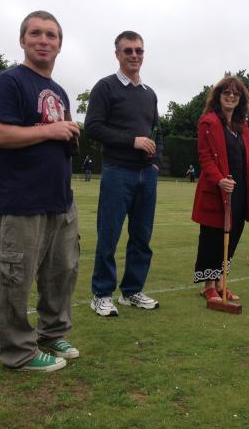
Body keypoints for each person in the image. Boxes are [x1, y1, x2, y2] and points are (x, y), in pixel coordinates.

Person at [0, 10, 81, 372]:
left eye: (51, 35)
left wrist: (68, 133)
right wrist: (51, 131)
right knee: (15, 276)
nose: (44, 40)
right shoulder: (8, 82)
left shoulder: (57, 90)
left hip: (60, 201)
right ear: (22, 40)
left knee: (61, 273)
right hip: (20, 201)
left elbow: (53, 142)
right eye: (36, 33)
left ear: (59, 45)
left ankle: (51, 334)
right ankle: (17, 352)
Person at [85, 30, 163, 317]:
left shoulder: (149, 94)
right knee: (110, 234)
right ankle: (102, 294)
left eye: (139, 50)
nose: (134, 55)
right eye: (128, 50)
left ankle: (132, 291)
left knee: (142, 236)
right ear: (117, 54)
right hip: (118, 171)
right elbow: (92, 126)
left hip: (147, 174)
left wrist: (156, 163)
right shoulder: (105, 88)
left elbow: (158, 132)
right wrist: (132, 141)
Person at [191, 76, 249, 302]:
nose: (231, 97)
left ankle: (221, 282)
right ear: (218, 96)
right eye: (226, 93)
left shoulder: (242, 127)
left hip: (239, 192)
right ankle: (209, 286)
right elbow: (205, 157)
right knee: (212, 238)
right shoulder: (208, 122)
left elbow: (245, 159)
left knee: (233, 236)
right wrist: (220, 179)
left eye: (236, 94)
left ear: (241, 99)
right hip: (216, 191)